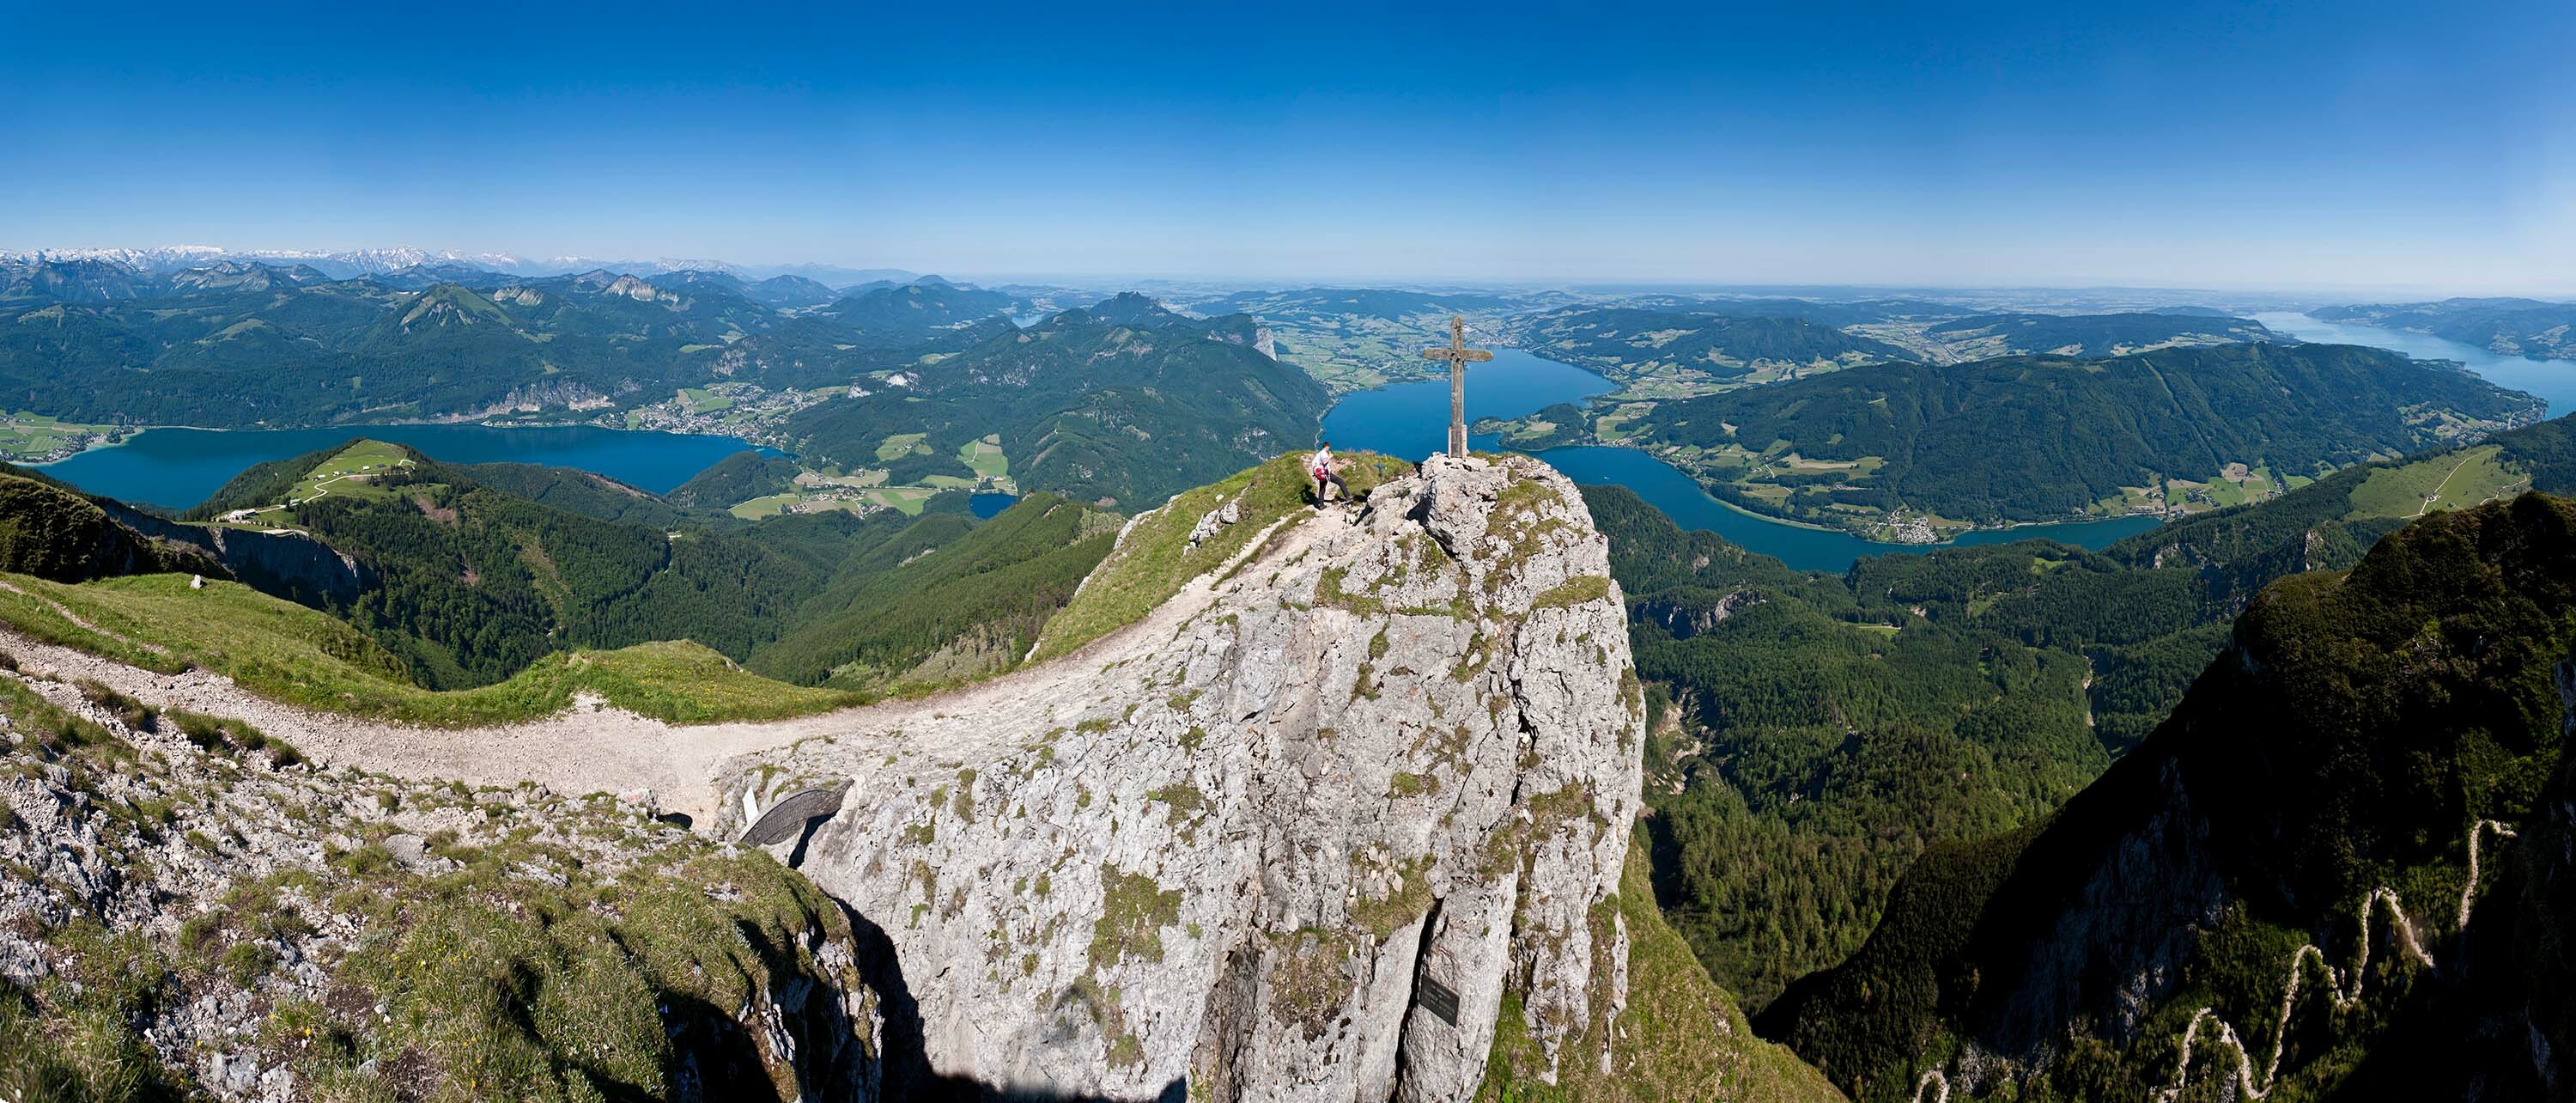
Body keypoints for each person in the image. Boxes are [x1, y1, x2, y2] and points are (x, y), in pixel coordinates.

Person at [1309, 442, 1346, 509]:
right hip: (1326, 473)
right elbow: (1325, 462)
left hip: (1320, 475)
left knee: (1322, 489)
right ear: (1327, 447)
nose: (1329, 449)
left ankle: (1321, 505)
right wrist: (1330, 456)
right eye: (1328, 447)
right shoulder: (1324, 453)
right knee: (1340, 481)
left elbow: (1313, 463)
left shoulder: (1318, 454)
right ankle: (1348, 497)